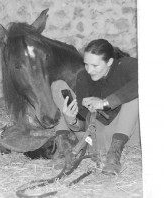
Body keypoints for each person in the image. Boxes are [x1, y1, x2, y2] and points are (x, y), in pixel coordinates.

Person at [51, 39, 140, 175]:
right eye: (86, 64)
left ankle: (113, 156)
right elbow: (83, 123)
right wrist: (72, 120)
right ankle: (64, 147)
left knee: (135, 95)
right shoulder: (84, 77)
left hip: (124, 134)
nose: (89, 70)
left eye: (95, 66)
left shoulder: (126, 65)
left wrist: (105, 103)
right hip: (94, 138)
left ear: (109, 62)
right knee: (57, 86)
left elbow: (142, 81)